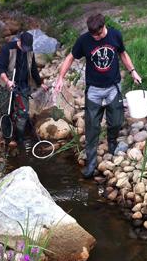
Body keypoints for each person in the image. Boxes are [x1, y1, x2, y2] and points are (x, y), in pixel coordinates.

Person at [54, 13, 142, 178]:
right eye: (93, 35)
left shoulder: (115, 35)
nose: (96, 38)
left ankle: (112, 141)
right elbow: (70, 57)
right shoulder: (84, 40)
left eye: (99, 34)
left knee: (116, 120)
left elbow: (123, 53)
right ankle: (91, 162)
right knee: (92, 126)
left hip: (113, 86)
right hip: (93, 89)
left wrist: (133, 71)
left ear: (104, 26)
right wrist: (60, 78)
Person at [0, 31, 48, 144]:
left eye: (28, 48)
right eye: (24, 47)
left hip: (23, 84)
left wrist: (40, 83)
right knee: (5, 110)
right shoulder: (8, 49)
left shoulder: (29, 51)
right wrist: (8, 81)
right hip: (8, 82)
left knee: (24, 112)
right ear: (19, 41)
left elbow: (33, 68)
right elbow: (0, 68)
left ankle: (19, 137)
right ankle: (5, 134)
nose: (26, 50)